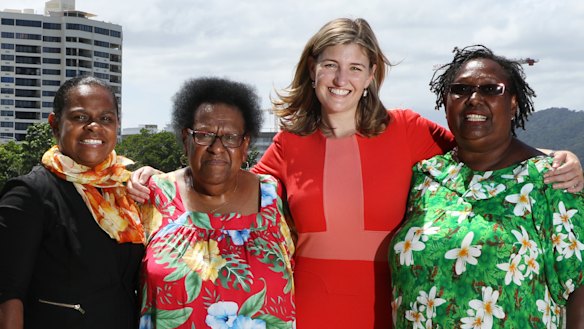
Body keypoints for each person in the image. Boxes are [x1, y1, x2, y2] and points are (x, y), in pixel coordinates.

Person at [128, 19, 583, 328]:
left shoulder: (408, 129)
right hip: (308, 312)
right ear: (312, 70)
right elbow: (224, 183)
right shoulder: (289, 143)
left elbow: (484, 150)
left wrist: (554, 157)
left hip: (395, 312)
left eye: (355, 67)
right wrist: (158, 177)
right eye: (330, 64)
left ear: (371, 77)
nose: (340, 78)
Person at [389, 45, 584, 328]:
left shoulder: (550, 181)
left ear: (514, 103)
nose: (474, 99)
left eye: (492, 90)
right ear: (446, 102)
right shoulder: (426, 176)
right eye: (461, 89)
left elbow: (579, 285)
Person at [137, 77, 295, 329]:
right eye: (204, 135)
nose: (217, 148)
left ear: (245, 146)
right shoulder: (153, 195)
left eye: (230, 137)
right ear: (185, 138)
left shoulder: (273, 195)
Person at [0, 76, 144, 329]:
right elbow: (7, 294)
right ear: (55, 125)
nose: (94, 127)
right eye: (80, 117)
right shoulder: (29, 194)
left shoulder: (122, 191)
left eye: (106, 119)